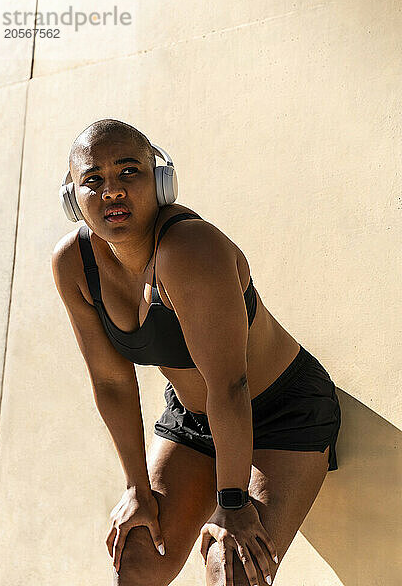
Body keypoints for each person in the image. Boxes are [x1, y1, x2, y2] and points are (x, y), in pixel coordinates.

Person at [52, 118, 341, 586]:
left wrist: (233, 502)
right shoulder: (74, 264)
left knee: (232, 571)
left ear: (161, 180)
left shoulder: (189, 246)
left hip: (282, 412)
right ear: (72, 197)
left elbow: (231, 383)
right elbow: (110, 381)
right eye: (93, 180)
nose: (112, 192)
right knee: (137, 559)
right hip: (194, 421)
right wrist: (137, 488)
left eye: (129, 172)